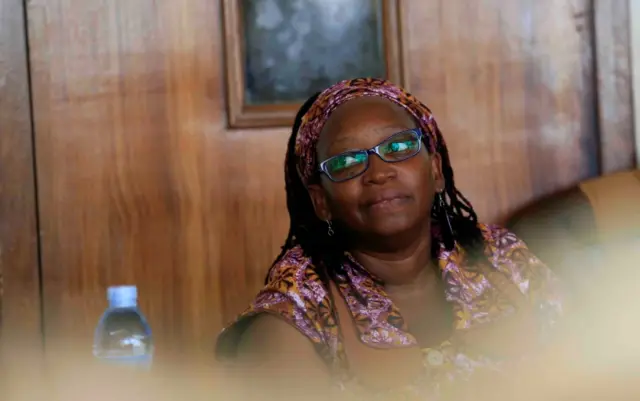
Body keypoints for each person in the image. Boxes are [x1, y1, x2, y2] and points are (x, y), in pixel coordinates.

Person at [216, 78, 563, 401]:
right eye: (348, 161)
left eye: (399, 146)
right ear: (321, 201)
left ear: (436, 170)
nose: (379, 173)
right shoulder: (293, 317)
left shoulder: (500, 258)